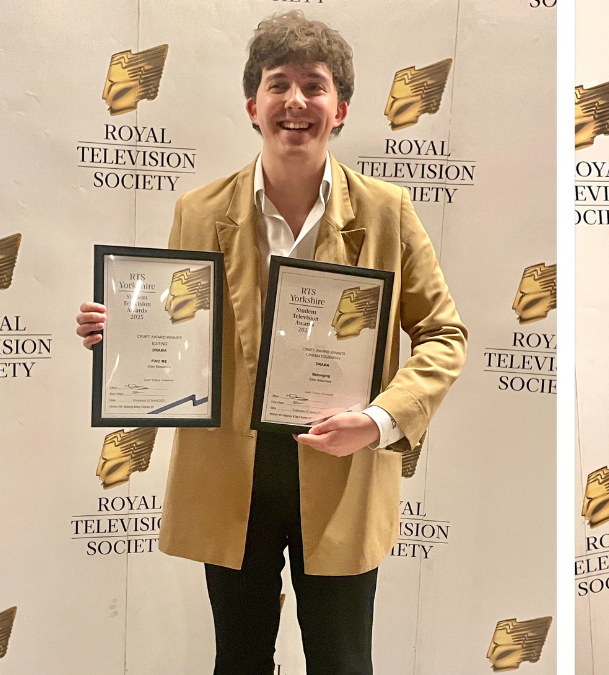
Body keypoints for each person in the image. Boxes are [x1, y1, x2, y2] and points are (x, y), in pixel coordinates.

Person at [75, 12, 467, 674]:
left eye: (314, 87)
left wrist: (375, 421)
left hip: (344, 473)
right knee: (239, 660)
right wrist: (125, 337)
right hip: (231, 472)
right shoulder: (199, 211)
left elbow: (443, 334)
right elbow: (179, 331)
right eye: (277, 84)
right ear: (252, 104)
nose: (295, 102)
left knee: (345, 663)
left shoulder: (387, 211)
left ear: (340, 109)